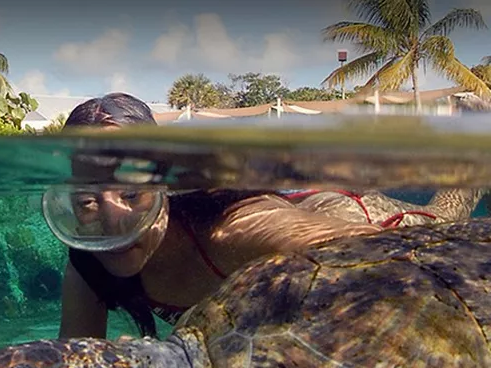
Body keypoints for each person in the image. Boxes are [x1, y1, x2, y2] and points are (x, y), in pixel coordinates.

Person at [44, 92, 483, 339]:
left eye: (130, 194)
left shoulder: (230, 230)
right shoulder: (89, 262)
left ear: (162, 189)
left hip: (333, 210)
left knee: (438, 228)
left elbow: (392, 260)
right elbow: (78, 360)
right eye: (87, 202)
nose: (112, 221)